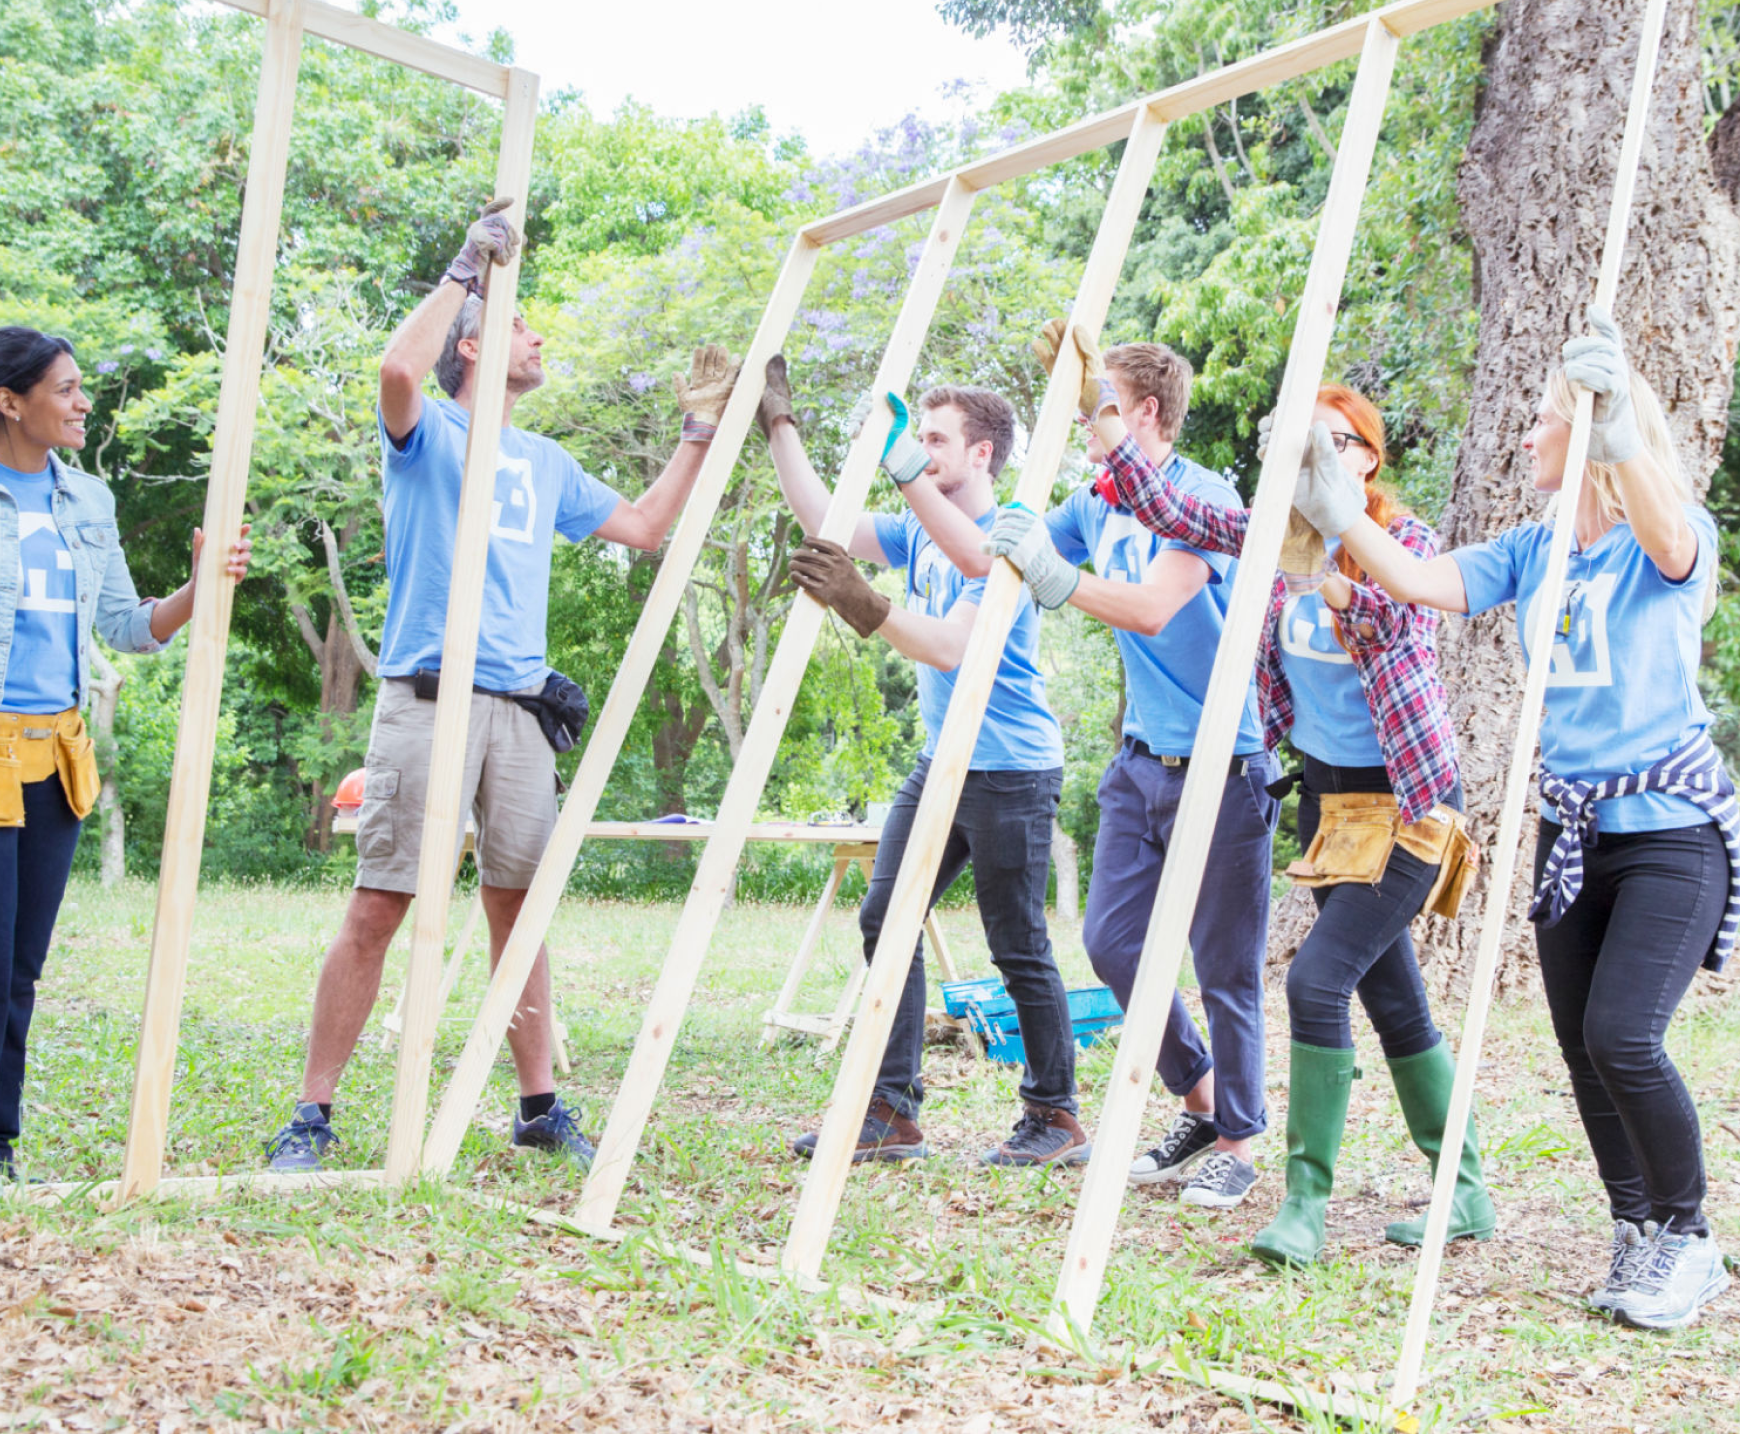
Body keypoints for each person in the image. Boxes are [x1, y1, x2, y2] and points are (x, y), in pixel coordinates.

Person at [266, 202, 742, 1172]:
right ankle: (311, 1114)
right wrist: (465, 271)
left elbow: (648, 526)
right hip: (426, 698)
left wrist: (699, 430)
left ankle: (537, 1106)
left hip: (522, 710)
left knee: (519, 908)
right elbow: (398, 370)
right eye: (522, 323)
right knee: (380, 903)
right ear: (477, 346)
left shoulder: (546, 461)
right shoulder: (430, 434)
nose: (539, 336)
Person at [1308, 305, 1739, 1330]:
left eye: (1542, 419)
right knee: (1580, 1046)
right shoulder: (1532, 548)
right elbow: (1420, 581)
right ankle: (1634, 1230)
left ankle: (1689, 1236)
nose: (1523, 434)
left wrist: (1625, 426)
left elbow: (1671, 534)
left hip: (1668, 832)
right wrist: (1341, 510)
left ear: (1585, 432)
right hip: (1571, 833)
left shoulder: (1660, 539)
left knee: (1622, 1033)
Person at [1094, 376, 1494, 1264]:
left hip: (1410, 808)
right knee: (1394, 998)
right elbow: (1174, 509)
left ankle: (1304, 1203)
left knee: (1316, 982)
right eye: (1305, 445)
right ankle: (1462, 1190)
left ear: (1368, 458)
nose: (1321, 458)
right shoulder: (1277, 543)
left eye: (1337, 443)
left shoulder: (1404, 545)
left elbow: (1398, 618)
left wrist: (1332, 570)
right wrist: (1104, 413)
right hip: (1329, 807)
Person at [757, 355, 1084, 1166]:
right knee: (885, 918)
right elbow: (825, 517)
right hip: (941, 761)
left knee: (1016, 941)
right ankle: (893, 1110)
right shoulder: (917, 534)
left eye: (934, 437)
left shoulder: (1008, 534)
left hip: (1010, 769)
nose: (919, 447)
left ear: (981, 453)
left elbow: (950, 647)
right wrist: (780, 427)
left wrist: (865, 604)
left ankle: (1055, 1117)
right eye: (917, 436)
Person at [985, 324, 1280, 1212]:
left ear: (1142, 410)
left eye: (1097, 402)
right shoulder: (1098, 500)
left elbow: (1152, 608)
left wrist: (1058, 581)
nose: (1084, 420)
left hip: (1226, 765)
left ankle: (1237, 1137)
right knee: (1111, 942)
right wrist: (937, 496)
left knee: (1224, 964)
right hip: (1141, 762)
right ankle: (1198, 1098)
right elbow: (1011, 556)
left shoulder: (1202, 497)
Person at [0, 325, 252, 1180]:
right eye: (65, 390)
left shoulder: (88, 503)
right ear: (10, 401)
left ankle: (2, 1141)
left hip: (55, 757)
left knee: (20, 969)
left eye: (80, 387)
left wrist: (199, 582)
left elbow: (124, 627)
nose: (81, 403)